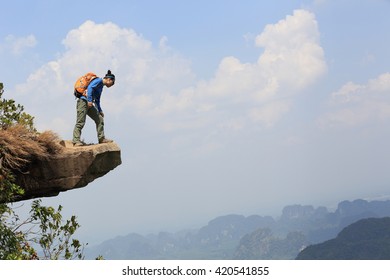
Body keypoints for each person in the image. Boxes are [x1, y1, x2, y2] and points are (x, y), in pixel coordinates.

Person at [72, 70, 115, 146]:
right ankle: (76, 141)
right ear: (109, 79)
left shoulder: (101, 87)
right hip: (83, 102)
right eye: (112, 83)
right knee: (80, 122)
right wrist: (89, 100)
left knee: (99, 119)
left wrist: (100, 110)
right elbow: (90, 88)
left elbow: (97, 100)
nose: (112, 85)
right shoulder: (98, 81)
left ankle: (101, 139)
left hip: (89, 104)